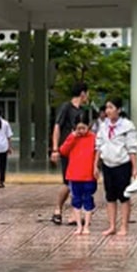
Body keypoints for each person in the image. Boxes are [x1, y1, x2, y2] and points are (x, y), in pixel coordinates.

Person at [95, 97, 137, 238]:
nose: (108, 111)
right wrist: (95, 164)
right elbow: (99, 146)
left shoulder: (127, 126)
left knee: (124, 196)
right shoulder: (103, 125)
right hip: (107, 164)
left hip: (122, 164)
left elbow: (131, 148)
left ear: (118, 110)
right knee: (110, 196)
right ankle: (112, 226)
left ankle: (124, 226)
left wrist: (135, 168)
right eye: (107, 108)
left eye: (111, 107)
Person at [50, 81, 89, 225]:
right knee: (68, 182)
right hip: (67, 150)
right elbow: (57, 127)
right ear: (82, 93)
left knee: (77, 182)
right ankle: (57, 209)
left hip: (79, 152)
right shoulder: (66, 107)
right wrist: (55, 149)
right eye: (87, 93)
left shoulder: (82, 111)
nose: (87, 96)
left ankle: (74, 214)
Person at [59, 111, 98, 235]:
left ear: (89, 126)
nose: (81, 130)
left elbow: (98, 152)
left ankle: (86, 225)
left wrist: (96, 167)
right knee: (76, 200)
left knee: (88, 199)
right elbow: (63, 151)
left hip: (88, 175)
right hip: (74, 175)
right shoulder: (72, 137)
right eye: (78, 128)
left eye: (83, 128)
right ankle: (79, 226)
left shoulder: (93, 138)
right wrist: (72, 137)